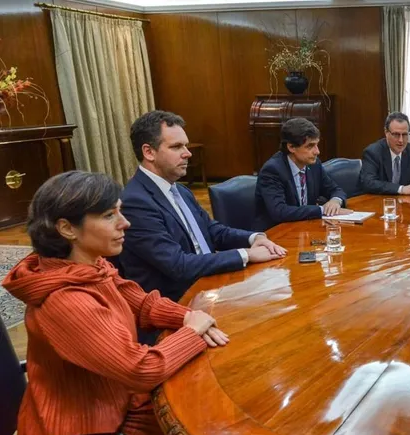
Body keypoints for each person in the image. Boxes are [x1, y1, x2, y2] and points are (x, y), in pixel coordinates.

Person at [1, 171, 228, 435]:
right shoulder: (66, 302)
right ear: (67, 228)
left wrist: (191, 316)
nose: (125, 223)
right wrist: (191, 333)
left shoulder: (89, 267)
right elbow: (141, 369)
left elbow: (142, 305)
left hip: (112, 406)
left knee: (209, 424)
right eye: (110, 215)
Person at [120, 110, 287, 308]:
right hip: (178, 304)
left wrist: (255, 238)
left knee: (281, 294)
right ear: (149, 152)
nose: (188, 153)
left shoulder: (179, 190)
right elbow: (178, 265)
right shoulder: (136, 202)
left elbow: (212, 231)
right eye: (176, 147)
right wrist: (246, 254)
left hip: (210, 287)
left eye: (185, 145)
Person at [255, 117, 350, 228]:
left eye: (317, 144)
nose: (317, 152)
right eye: (310, 146)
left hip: (304, 228)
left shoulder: (314, 165)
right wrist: (321, 210)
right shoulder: (272, 170)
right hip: (275, 233)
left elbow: (335, 190)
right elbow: (279, 211)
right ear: (291, 147)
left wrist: (335, 201)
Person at [360, 112, 410, 195]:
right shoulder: (373, 152)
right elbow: (368, 183)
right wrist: (401, 189)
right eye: (396, 134)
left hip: (402, 203)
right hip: (378, 203)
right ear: (386, 133)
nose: (401, 140)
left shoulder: (408, 149)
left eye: (405, 134)